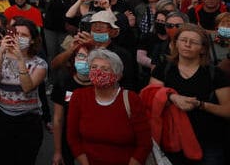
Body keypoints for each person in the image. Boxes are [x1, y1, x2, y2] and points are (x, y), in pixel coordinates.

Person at [149, 24, 230, 164]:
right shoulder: (163, 69)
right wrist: (172, 97)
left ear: (203, 48)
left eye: (193, 42)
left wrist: (200, 105)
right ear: (175, 43)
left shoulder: (215, 74)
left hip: (208, 143)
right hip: (172, 140)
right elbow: (151, 96)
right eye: (183, 40)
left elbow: (227, 110)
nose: (187, 45)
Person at [66, 49, 151, 165]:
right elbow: (73, 137)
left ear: (117, 76)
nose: (98, 72)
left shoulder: (132, 99)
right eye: (94, 67)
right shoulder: (79, 97)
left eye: (105, 69)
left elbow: (144, 143)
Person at [0, 17, 48, 165]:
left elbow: (27, 87)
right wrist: (1, 52)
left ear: (32, 40)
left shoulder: (39, 63)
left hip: (28, 120)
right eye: (16, 33)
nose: (19, 38)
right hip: (2, 116)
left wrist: (21, 60)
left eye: (24, 35)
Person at [50, 41, 94, 165]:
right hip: (68, 138)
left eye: (89, 57)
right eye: (81, 56)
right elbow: (58, 119)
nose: (85, 60)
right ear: (73, 59)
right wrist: (58, 151)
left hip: (92, 139)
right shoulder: (63, 83)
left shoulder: (100, 86)